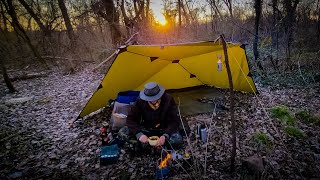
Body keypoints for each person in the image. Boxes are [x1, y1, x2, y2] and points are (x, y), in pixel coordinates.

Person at [126, 82, 183, 148]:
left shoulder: (168, 99)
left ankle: (153, 146)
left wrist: (165, 135)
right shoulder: (140, 101)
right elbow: (130, 119)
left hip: (164, 129)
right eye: (150, 99)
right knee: (123, 132)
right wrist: (139, 134)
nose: (153, 101)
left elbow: (174, 120)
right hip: (147, 128)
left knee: (177, 139)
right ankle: (149, 144)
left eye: (155, 98)